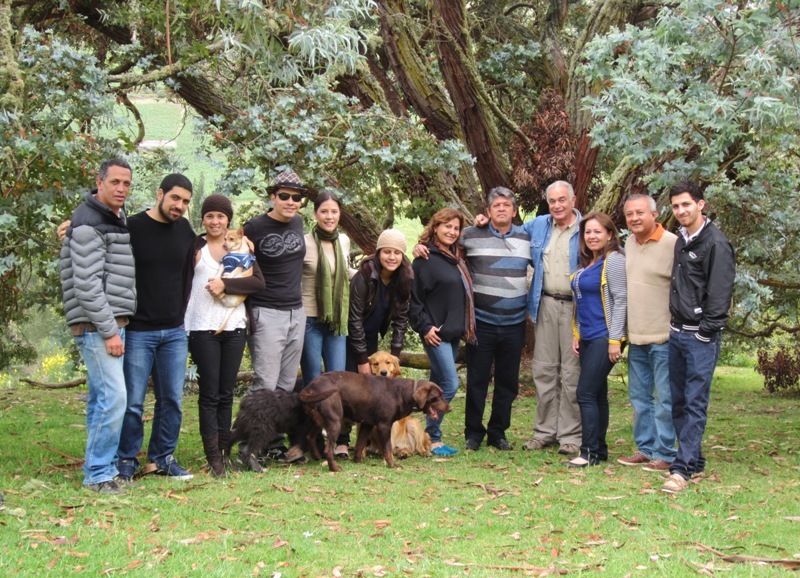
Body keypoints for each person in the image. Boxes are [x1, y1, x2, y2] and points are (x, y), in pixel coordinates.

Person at [59, 159, 136, 494]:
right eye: (115, 182)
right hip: (97, 325)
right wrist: (108, 330)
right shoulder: (89, 222)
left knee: (101, 399)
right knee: (114, 397)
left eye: (127, 184)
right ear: (99, 182)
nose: (121, 189)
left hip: (109, 321)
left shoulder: (113, 219)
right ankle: (99, 474)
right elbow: (87, 285)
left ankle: (96, 467)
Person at [116, 174, 196, 482]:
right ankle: (126, 460)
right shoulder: (132, 227)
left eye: (186, 201)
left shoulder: (185, 231)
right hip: (138, 330)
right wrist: (74, 228)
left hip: (175, 331)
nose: (179, 206)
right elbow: (102, 239)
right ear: (160, 193)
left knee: (172, 400)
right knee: (133, 401)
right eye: (175, 198)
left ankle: (162, 457)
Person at [183, 194, 265, 477]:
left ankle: (224, 451)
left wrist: (226, 284)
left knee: (226, 392)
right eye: (209, 216)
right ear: (202, 219)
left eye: (220, 216)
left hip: (234, 327)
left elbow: (258, 281)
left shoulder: (242, 248)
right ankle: (213, 457)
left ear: (228, 220)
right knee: (210, 393)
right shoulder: (195, 246)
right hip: (202, 325)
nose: (215, 221)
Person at [662, 181, 735, 494]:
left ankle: (681, 470)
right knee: (678, 401)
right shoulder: (682, 239)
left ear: (701, 204)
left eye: (686, 205)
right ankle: (694, 459)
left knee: (694, 402)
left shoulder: (716, 243)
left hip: (700, 338)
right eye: (676, 206)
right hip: (676, 333)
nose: (680, 211)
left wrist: (707, 331)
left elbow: (720, 293)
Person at [461, 188, 531, 451]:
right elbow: (441, 243)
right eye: (496, 205)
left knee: (507, 382)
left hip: (514, 324)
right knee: (477, 380)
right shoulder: (470, 235)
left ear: (514, 211)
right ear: (487, 211)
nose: (501, 209)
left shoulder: (527, 238)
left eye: (506, 205)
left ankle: (498, 432)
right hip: (482, 323)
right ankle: (473, 433)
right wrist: (422, 246)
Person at [520, 181, 582, 456]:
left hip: (575, 309)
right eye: (552, 201)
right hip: (544, 303)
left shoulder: (585, 228)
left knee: (571, 372)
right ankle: (544, 432)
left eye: (562, 200)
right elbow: (506, 233)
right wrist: (484, 221)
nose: (557, 205)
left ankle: (570, 435)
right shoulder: (538, 226)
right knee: (544, 370)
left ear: (573, 200)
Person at [617, 194, 677, 472]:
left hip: (664, 336)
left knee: (665, 399)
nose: (634, 218)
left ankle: (666, 454)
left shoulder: (672, 244)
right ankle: (645, 448)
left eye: (640, 212)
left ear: (655, 214)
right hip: (637, 337)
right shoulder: (629, 244)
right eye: (629, 214)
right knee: (640, 399)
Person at [340, 229, 412, 457]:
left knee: (371, 395)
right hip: (350, 337)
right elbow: (354, 321)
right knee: (350, 391)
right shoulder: (364, 277)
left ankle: (367, 443)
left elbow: (401, 319)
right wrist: (362, 359)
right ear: (378, 253)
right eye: (387, 252)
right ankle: (341, 441)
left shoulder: (404, 278)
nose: (392, 257)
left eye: (397, 253)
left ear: (402, 256)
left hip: (370, 338)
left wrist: (394, 356)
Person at [409, 209, 475, 457]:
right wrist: (424, 327)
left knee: (435, 383)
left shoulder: (457, 257)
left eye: (456, 228)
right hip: (434, 334)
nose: (451, 231)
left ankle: (425, 436)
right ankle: (431, 436)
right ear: (435, 227)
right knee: (449, 382)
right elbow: (414, 301)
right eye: (446, 226)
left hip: (453, 333)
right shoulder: (424, 259)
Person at [567, 212, 627, 467]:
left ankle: (588, 452)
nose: (592, 236)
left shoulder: (613, 260)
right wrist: (577, 333)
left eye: (597, 232)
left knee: (585, 393)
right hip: (588, 337)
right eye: (588, 232)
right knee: (598, 394)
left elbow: (622, 299)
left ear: (610, 234)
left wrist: (616, 340)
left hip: (605, 336)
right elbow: (581, 301)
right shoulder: (587, 264)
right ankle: (599, 451)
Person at [243, 170, 307, 399]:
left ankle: (274, 434)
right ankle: (253, 433)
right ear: (273, 197)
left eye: (296, 198)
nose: (291, 202)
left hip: (296, 313)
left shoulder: (298, 222)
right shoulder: (254, 228)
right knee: (265, 384)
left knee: (287, 383)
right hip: (266, 312)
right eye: (284, 196)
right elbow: (235, 261)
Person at [300, 191, 351, 387]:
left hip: (337, 320)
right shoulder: (304, 242)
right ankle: (310, 418)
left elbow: (345, 272)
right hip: (310, 320)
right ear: (315, 214)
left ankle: (333, 419)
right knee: (313, 380)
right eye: (324, 212)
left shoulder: (344, 241)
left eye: (334, 212)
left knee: (337, 379)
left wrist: (373, 270)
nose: (329, 217)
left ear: (339, 214)